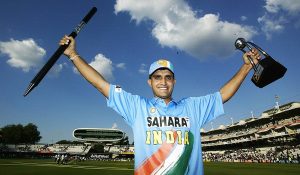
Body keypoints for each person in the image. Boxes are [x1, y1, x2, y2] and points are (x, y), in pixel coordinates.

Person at [59, 35, 261, 175]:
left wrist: (245, 67)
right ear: (150, 82)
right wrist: (74, 55)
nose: (163, 82)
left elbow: (223, 95)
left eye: (168, 77)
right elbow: (100, 84)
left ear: (174, 81)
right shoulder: (136, 106)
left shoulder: (192, 107)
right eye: (157, 77)